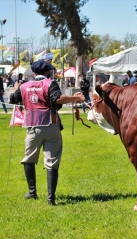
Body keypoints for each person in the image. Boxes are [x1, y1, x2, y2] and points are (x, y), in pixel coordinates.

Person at [9, 60, 85, 205]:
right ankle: (51, 199)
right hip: (51, 125)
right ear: (46, 72)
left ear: (34, 72)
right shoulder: (50, 83)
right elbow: (58, 99)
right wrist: (77, 98)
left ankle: (32, 193)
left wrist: (16, 88)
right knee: (52, 162)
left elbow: (13, 99)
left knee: (29, 159)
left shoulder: (24, 85)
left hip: (32, 127)